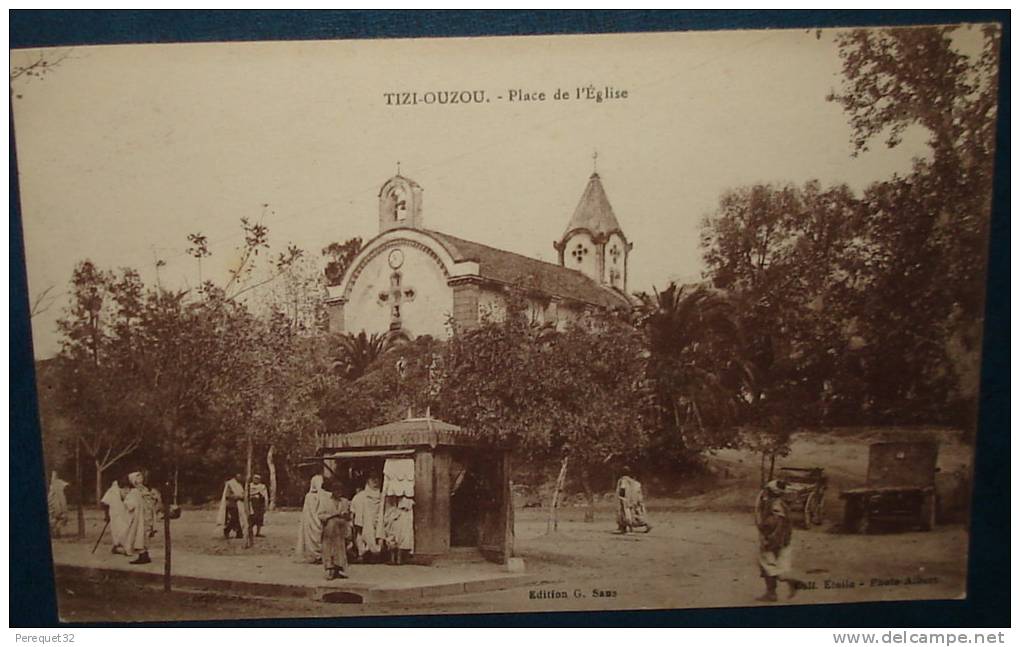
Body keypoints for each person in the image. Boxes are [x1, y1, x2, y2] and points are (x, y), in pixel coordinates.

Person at [755, 479, 801, 601]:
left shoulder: (775, 505)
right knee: (775, 565)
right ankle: (776, 589)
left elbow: (778, 521)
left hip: (773, 539)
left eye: (767, 491)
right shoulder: (779, 503)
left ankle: (773, 592)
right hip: (782, 539)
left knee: (767, 564)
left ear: (771, 492)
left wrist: (770, 538)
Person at [318, 480, 353, 580]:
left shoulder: (344, 502)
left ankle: (338, 570)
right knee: (329, 549)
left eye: (340, 490)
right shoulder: (325, 501)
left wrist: (346, 516)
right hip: (330, 528)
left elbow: (349, 516)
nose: (338, 492)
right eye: (336, 490)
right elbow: (320, 515)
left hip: (341, 529)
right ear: (332, 491)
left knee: (341, 549)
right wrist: (332, 515)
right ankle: (330, 570)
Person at [350, 475, 382, 562]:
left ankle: (375, 553)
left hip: (377, 523)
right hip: (363, 523)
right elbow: (353, 512)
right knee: (361, 534)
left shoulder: (382, 497)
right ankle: (362, 553)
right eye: (372, 479)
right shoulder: (360, 497)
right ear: (367, 480)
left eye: (377, 479)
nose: (375, 481)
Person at [296, 474, 326, 563]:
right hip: (312, 520)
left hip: (318, 518)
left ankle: (320, 555)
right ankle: (315, 555)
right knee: (313, 536)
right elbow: (309, 511)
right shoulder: (310, 496)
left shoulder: (323, 495)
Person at [123, 472, 151, 564]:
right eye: (138, 477)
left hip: (142, 516)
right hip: (142, 515)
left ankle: (143, 555)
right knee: (142, 534)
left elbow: (130, 505)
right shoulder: (140, 490)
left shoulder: (137, 491)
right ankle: (144, 554)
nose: (141, 479)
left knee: (140, 534)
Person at [616, 466, 652, 534]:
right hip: (632, 500)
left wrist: (621, 498)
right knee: (634, 513)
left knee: (625, 514)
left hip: (625, 499)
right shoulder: (633, 481)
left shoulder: (623, 480)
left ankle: (629, 528)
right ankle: (624, 527)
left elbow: (622, 489)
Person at [381, 495, 414, 565]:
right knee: (391, 531)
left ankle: (399, 558)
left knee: (401, 533)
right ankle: (392, 558)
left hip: (402, 511)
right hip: (392, 508)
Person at [100, 478, 129, 555]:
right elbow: (105, 502)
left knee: (125, 529)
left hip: (124, 514)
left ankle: (124, 546)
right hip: (115, 514)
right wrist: (106, 515)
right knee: (117, 530)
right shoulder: (112, 490)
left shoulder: (126, 490)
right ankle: (117, 546)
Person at [216, 473, 247, 539]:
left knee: (239, 519)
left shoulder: (240, 484)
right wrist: (237, 496)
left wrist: (243, 496)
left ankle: (239, 533)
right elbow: (227, 495)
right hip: (231, 504)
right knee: (234, 518)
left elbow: (243, 494)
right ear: (235, 476)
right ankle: (228, 530)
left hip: (239, 504)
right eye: (239, 476)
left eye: (241, 476)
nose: (240, 477)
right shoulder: (230, 484)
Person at [47, 472, 69, 538]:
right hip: (55, 504)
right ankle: (55, 532)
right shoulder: (54, 486)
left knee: (57, 519)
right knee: (55, 520)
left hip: (57, 504)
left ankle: (56, 532)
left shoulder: (58, 484)